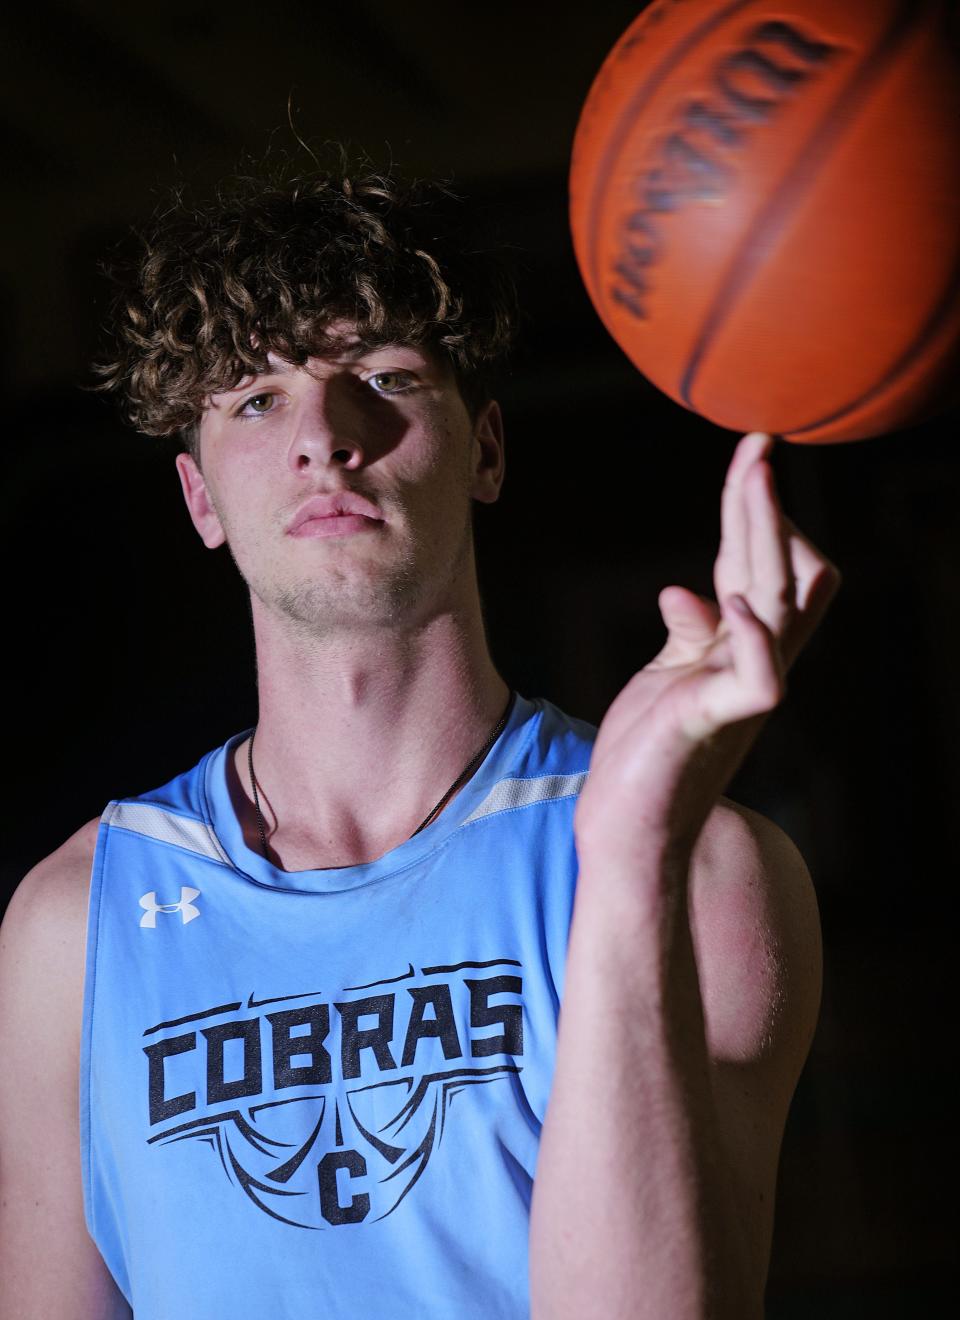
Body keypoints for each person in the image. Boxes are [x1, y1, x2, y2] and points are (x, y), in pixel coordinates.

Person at [0, 163, 838, 1320]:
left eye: (386, 376)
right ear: (199, 500)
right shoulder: (72, 926)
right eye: (255, 398)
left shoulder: (699, 867)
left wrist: (632, 848)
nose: (325, 437)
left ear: (487, 451)